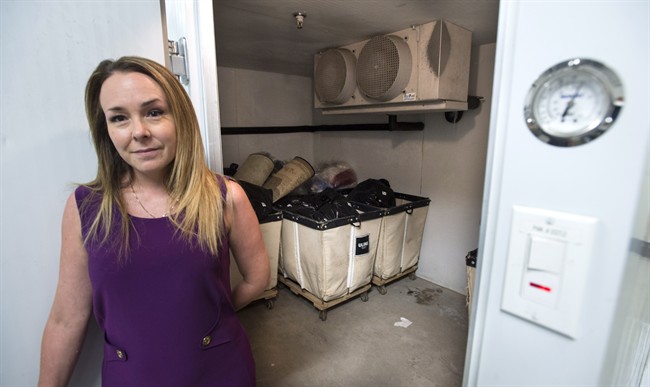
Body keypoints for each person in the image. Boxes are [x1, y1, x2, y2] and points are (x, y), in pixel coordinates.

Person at [38, 56, 270, 386]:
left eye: (154, 112)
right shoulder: (85, 209)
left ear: (180, 117)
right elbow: (64, 320)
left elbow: (257, 278)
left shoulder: (225, 197)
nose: (139, 132)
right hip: (130, 377)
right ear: (106, 130)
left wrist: (212, 316)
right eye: (119, 118)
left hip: (220, 371)